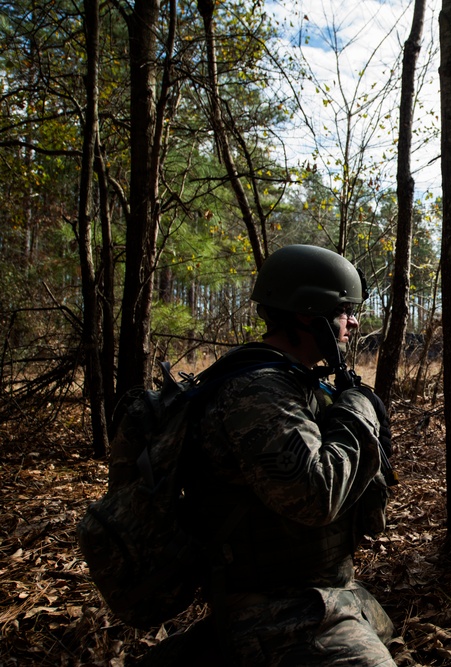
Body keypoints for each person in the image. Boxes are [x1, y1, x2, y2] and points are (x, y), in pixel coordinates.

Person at [136, 244, 396, 666]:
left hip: (316, 593)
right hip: (276, 611)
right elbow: (316, 495)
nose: (353, 321)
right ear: (307, 314)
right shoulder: (256, 391)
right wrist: (359, 407)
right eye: (345, 310)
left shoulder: (294, 382)